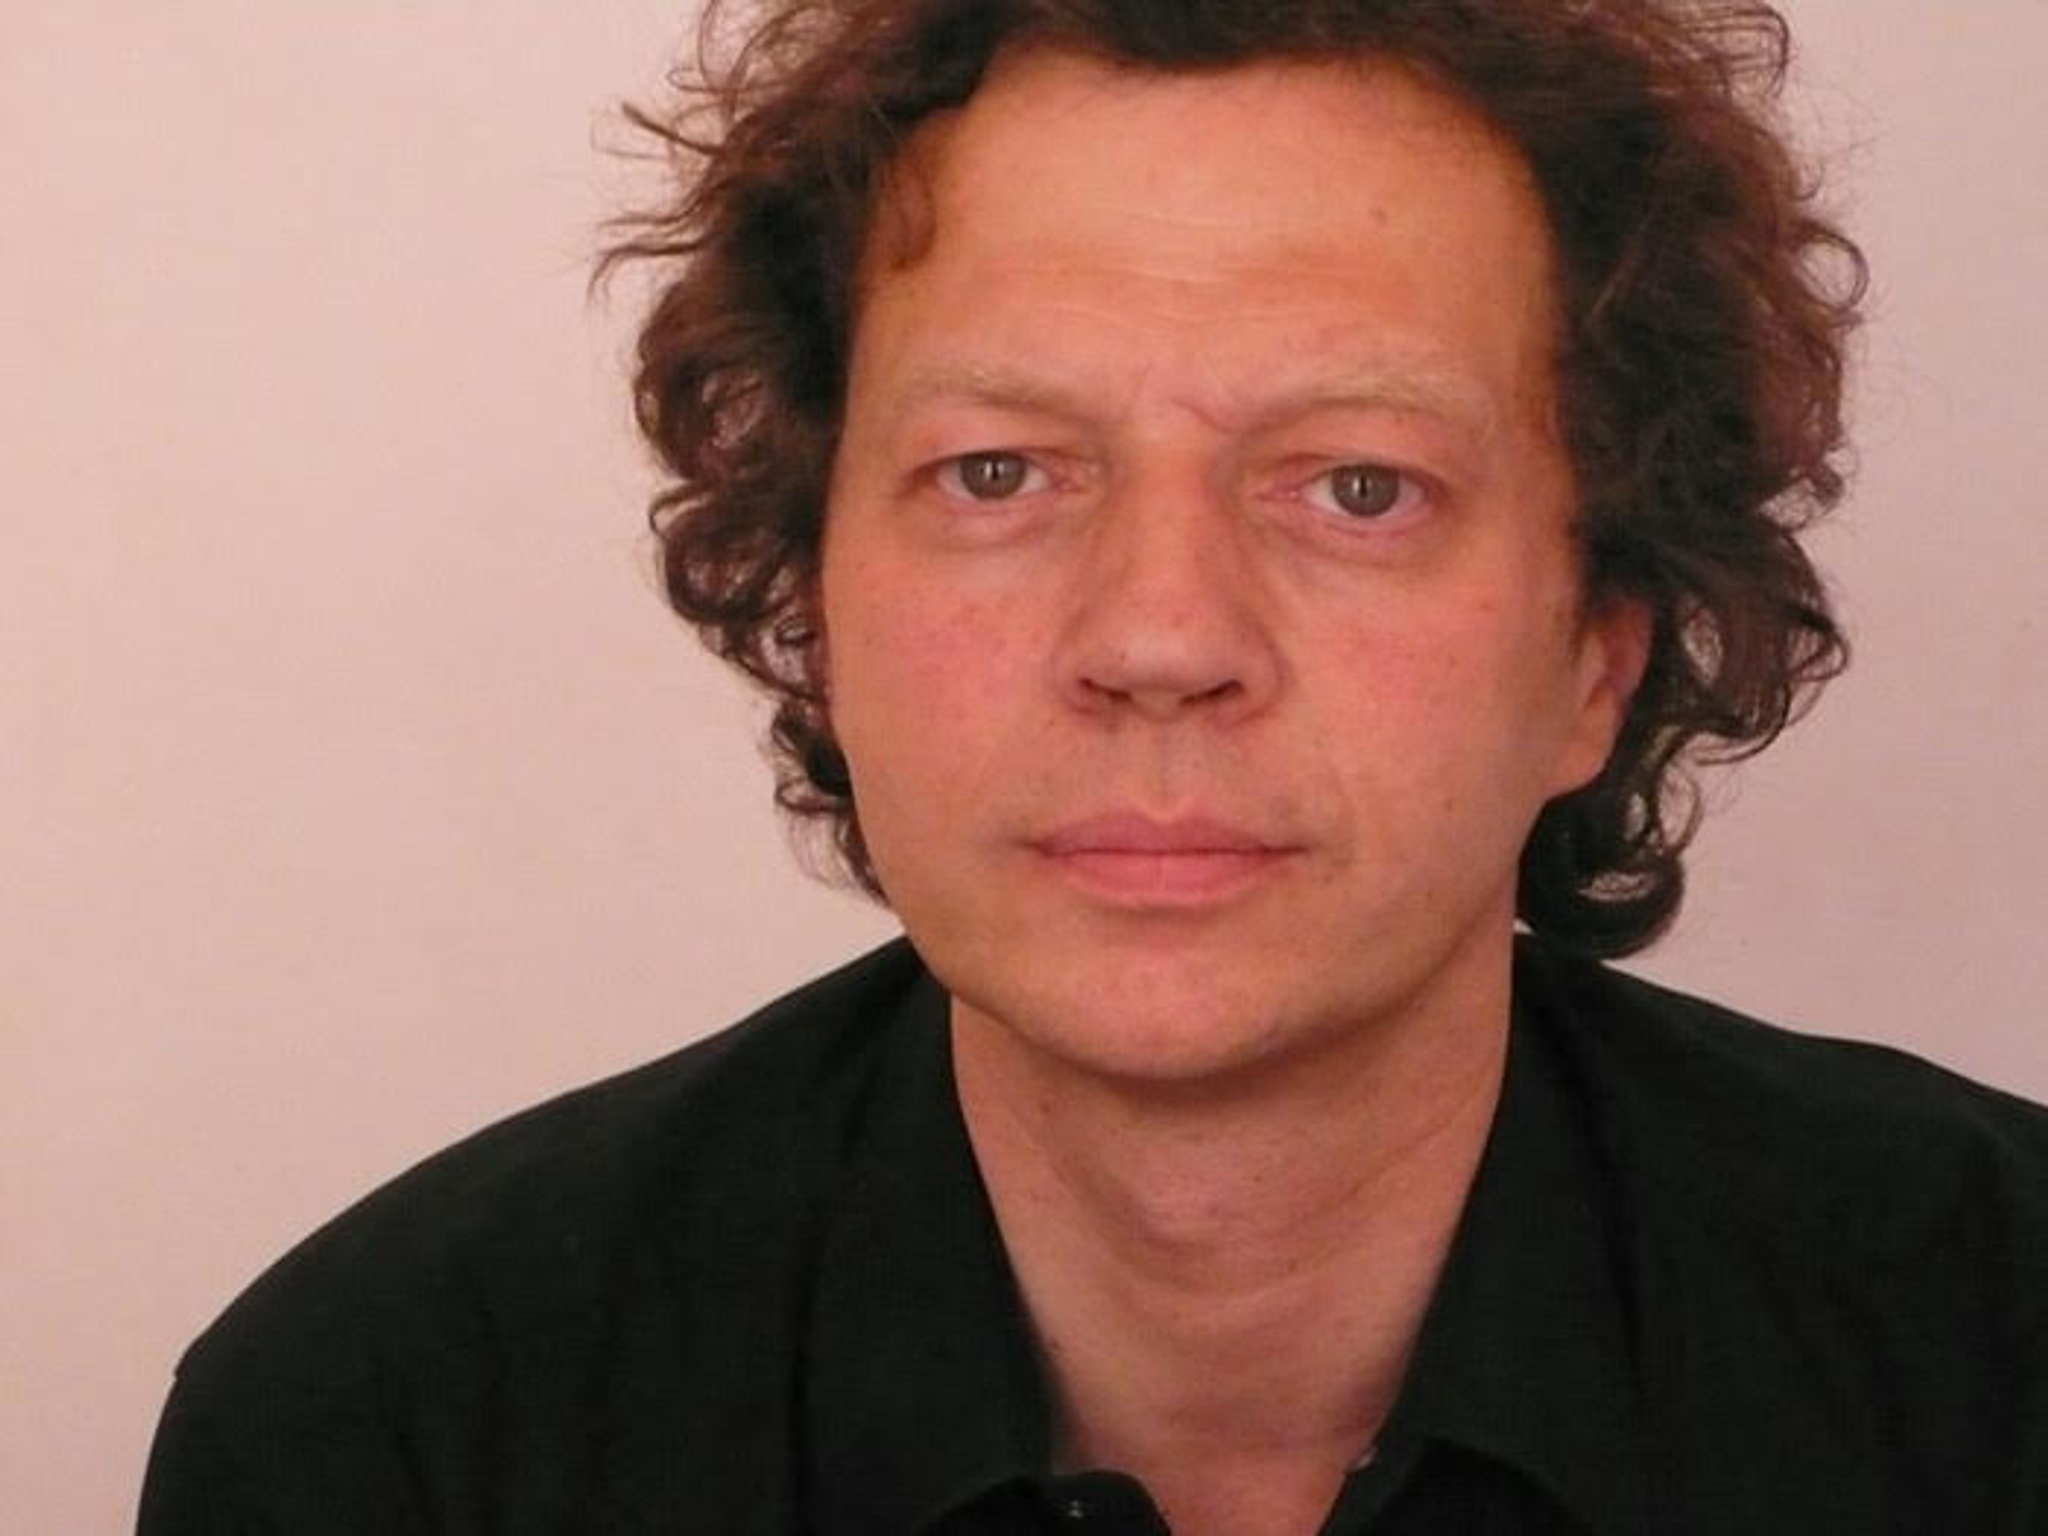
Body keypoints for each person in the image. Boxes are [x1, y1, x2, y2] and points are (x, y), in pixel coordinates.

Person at [138, 1, 2048, 1532]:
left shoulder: (2002, 1358)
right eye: (1000, 475)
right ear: (811, 608)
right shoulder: (396, 1431)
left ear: (1596, 652)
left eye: (1358, 486)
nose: (1157, 637)